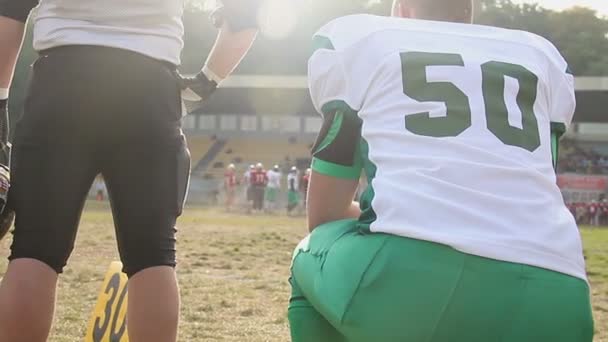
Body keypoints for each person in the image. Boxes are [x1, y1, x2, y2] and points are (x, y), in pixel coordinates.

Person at [288, 1, 594, 341]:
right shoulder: (538, 54)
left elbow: (325, 214)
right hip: (561, 296)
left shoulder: (362, 40)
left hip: (418, 287)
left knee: (311, 251)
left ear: (402, 9)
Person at [0, 1, 261, 341]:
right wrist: (206, 82)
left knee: (34, 249)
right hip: (148, 86)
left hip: (61, 82)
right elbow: (245, 18)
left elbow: (10, 13)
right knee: (153, 255)